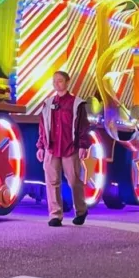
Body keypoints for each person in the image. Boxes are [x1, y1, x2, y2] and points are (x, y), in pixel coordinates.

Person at [36, 70, 91, 227]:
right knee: (52, 182)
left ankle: (81, 211)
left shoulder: (77, 104)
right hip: (51, 148)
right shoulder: (48, 104)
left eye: (60, 81)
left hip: (70, 148)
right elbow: (42, 126)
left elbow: (82, 126)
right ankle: (55, 215)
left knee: (74, 181)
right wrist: (40, 146)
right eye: (54, 81)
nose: (56, 84)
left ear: (67, 82)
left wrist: (82, 145)